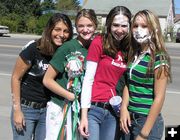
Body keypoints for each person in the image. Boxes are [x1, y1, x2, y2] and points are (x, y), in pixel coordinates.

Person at [11, 13, 73, 140]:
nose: (61, 35)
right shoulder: (34, 48)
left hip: (47, 111)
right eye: (57, 29)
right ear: (49, 29)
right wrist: (17, 111)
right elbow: (15, 78)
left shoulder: (64, 52)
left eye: (66, 31)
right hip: (26, 108)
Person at [43, 9, 98, 140]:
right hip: (61, 106)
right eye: (81, 26)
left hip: (82, 110)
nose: (85, 30)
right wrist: (70, 96)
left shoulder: (96, 47)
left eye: (89, 25)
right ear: (76, 27)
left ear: (95, 25)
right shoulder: (67, 47)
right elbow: (47, 80)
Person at [79, 6, 132, 140]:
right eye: (115, 25)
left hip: (114, 112)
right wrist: (84, 115)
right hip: (94, 109)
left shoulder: (130, 47)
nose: (119, 30)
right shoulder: (99, 42)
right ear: (109, 25)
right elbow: (88, 79)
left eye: (124, 26)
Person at [120, 9, 171, 140]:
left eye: (144, 26)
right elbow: (128, 83)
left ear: (153, 29)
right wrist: (124, 108)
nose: (138, 29)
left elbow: (159, 98)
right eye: (135, 26)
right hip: (129, 119)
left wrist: (144, 134)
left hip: (147, 123)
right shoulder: (135, 54)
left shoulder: (159, 57)